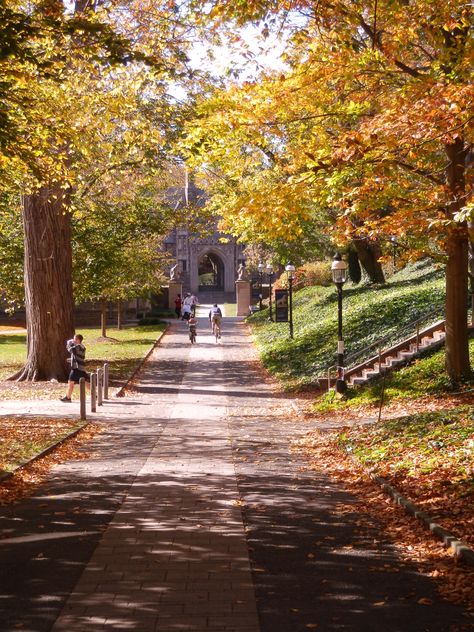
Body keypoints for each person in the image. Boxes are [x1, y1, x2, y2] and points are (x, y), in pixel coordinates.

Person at [60, 334, 89, 402]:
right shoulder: (82, 347)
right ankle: (95, 395)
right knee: (85, 382)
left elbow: (70, 349)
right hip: (81, 368)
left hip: (77, 368)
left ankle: (68, 397)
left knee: (70, 382)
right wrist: (71, 359)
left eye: (75, 339)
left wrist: (69, 342)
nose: (73, 340)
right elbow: (78, 356)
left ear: (79, 340)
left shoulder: (77, 347)